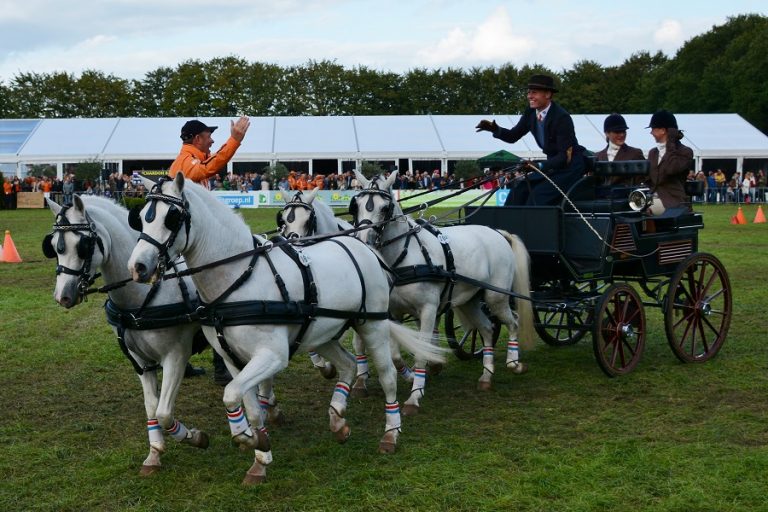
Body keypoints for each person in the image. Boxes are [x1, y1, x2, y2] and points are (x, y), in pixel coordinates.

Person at [169, 116, 251, 385]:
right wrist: (235, 140)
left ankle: (186, 359)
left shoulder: (191, 159)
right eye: (208, 136)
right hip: (190, 248)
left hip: (192, 244)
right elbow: (210, 168)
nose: (212, 140)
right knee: (216, 302)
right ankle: (220, 367)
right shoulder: (186, 163)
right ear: (196, 139)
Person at [476, 74, 586, 205]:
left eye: (534, 92)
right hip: (552, 165)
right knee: (518, 192)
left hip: (570, 168)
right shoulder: (530, 113)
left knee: (538, 196)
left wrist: (539, 165)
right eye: (528, 92)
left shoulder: (561, 118)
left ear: (548, 94)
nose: (529, 96)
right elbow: (513, 136)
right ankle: (507, 225)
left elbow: (563, 157)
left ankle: (532, 225)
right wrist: (495, 129)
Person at [644, 110, 694, 215]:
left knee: (645, 211)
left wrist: (670, 143)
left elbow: (671, 168)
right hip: (652, 197)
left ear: (662, 130)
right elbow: (648, 179)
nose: (651, 133)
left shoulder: (685, 152)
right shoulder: (653, 153)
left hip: (673, 200)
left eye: (653, 129)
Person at [594, 113, 645, 186]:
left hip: (626, 196)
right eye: (617, 132)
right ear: (607, 133)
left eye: (623, 131)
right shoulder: (597, 156)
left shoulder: (635, 153)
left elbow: (641, 181)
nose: (622, 135)